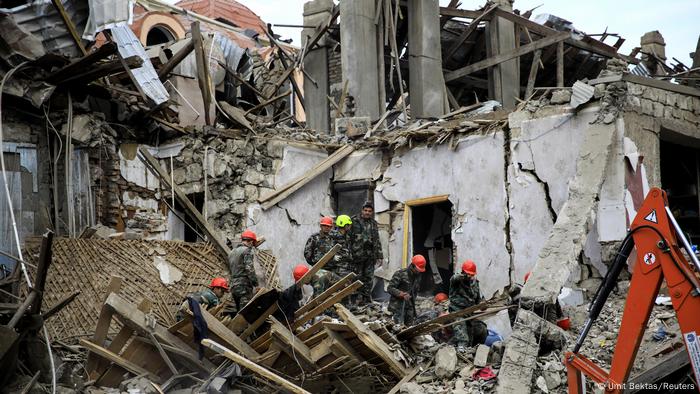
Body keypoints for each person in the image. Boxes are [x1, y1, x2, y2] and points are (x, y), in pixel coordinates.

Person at [349, 201, 383, 304]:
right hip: (357, 255)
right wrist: (349, 253)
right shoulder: (353, 221)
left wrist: (379, 255)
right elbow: (348, 238)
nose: (367, 212)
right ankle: (354, 300)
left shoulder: (373, 223)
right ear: (362, 210)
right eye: (365, 210)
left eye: (369, 211)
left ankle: (366, 299)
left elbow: (376, 239)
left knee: (368, 278)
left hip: (370, 256)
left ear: (372, 212)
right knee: (356, 277)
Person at [449, 259, 487, 347]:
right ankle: (459, 353)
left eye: (471, 274)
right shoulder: (457, 281)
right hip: (457, 313)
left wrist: (483, 305)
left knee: (479, 332)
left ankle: (468, 354)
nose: (469, 276)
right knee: (463, 339)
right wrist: (464, 276)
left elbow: (479, 300)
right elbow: (454, 278)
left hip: (469, 315)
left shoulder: (475, 284)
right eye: (468, 274)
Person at [387, 255, 426, 326]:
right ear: (413, 266)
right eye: (418, 269)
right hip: (398, 306)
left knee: (409, 327)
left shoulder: (418, 276)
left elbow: (415, 291)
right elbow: (390, 288)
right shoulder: (400, 274)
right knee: (397, 327)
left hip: (409, 306)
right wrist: (400, 294)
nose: (419, 272)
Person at [228, 229, 259, 314]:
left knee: (238, 312)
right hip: (244, 286)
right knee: (246, 312)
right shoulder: (247, 251)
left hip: (233, 286)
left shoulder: (232, 252)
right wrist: (255, 284)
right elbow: (249, 269)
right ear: (251, 242)